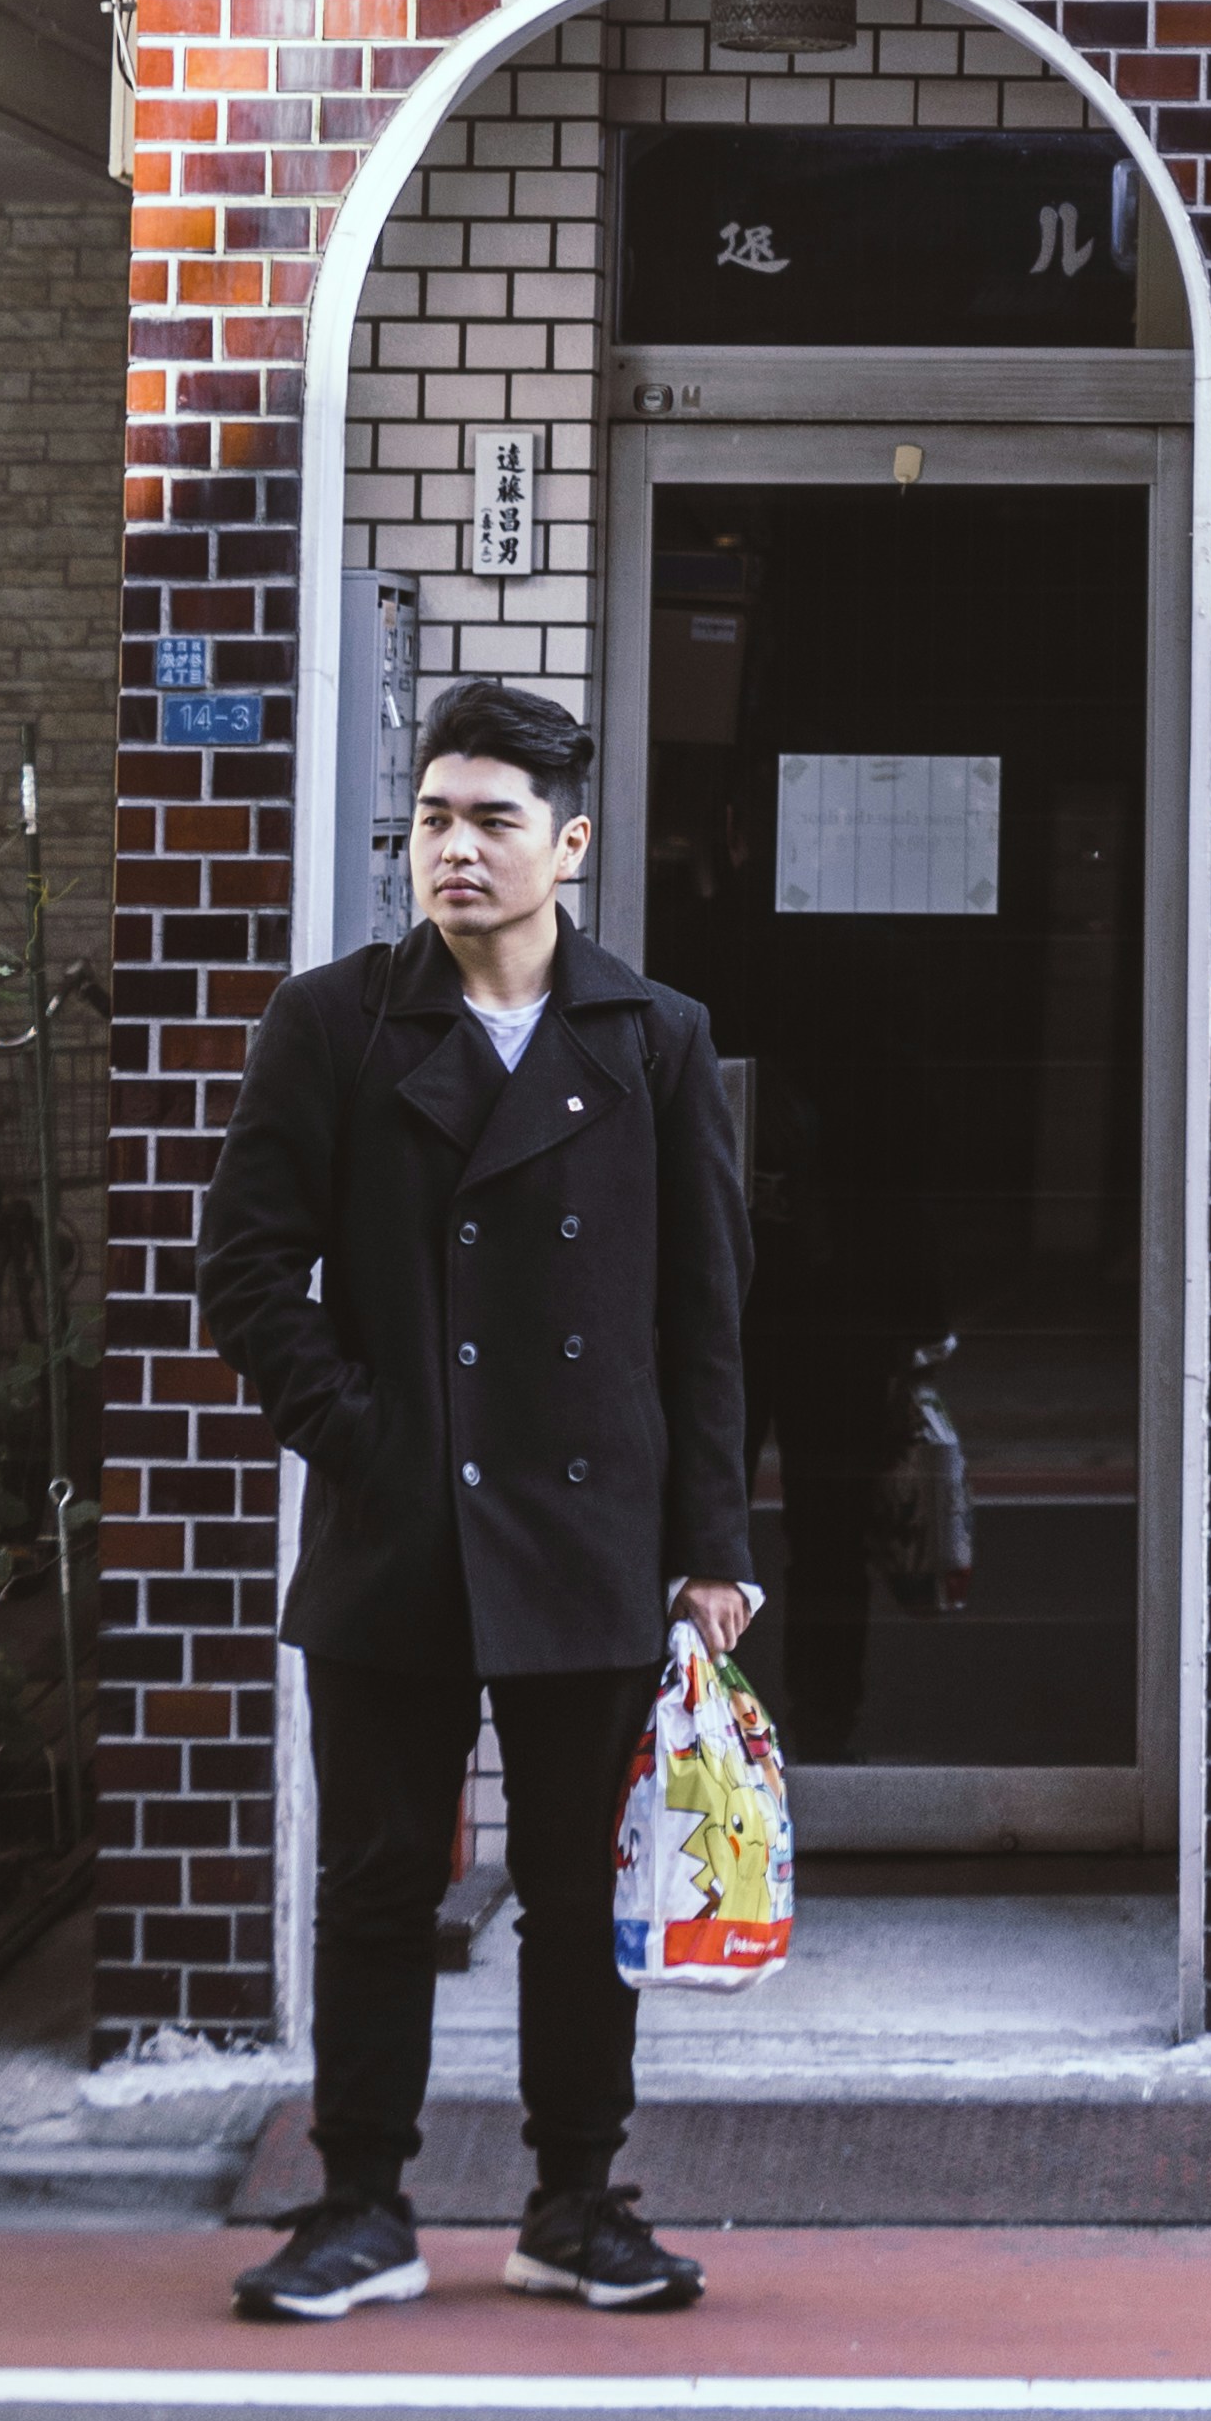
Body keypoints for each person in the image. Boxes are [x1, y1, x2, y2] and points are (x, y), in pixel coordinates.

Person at [197, 680, 755, 2321]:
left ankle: (576, 2204)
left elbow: (703, 1318)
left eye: (493, 819)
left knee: (585, 1886)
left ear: (568, 844)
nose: (454, 848)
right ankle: (358, 2203)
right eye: (434, 817)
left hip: (595, 1531)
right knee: (380, 1876)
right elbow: (244, 1272)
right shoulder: (340, 1023)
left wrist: (711, 1549)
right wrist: (366, 1434)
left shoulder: (652, 1037)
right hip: (398, 1521)